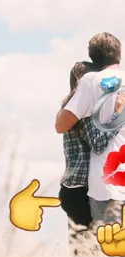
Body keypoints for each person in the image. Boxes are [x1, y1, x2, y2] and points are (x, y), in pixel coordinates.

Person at [55, 32, 125, 227]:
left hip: (83, 187)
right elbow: (98, 142)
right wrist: (117, 113)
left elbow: (60, 126)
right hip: (81, 189)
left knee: (88, 250)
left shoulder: (76, 105)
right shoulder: (81, 114)